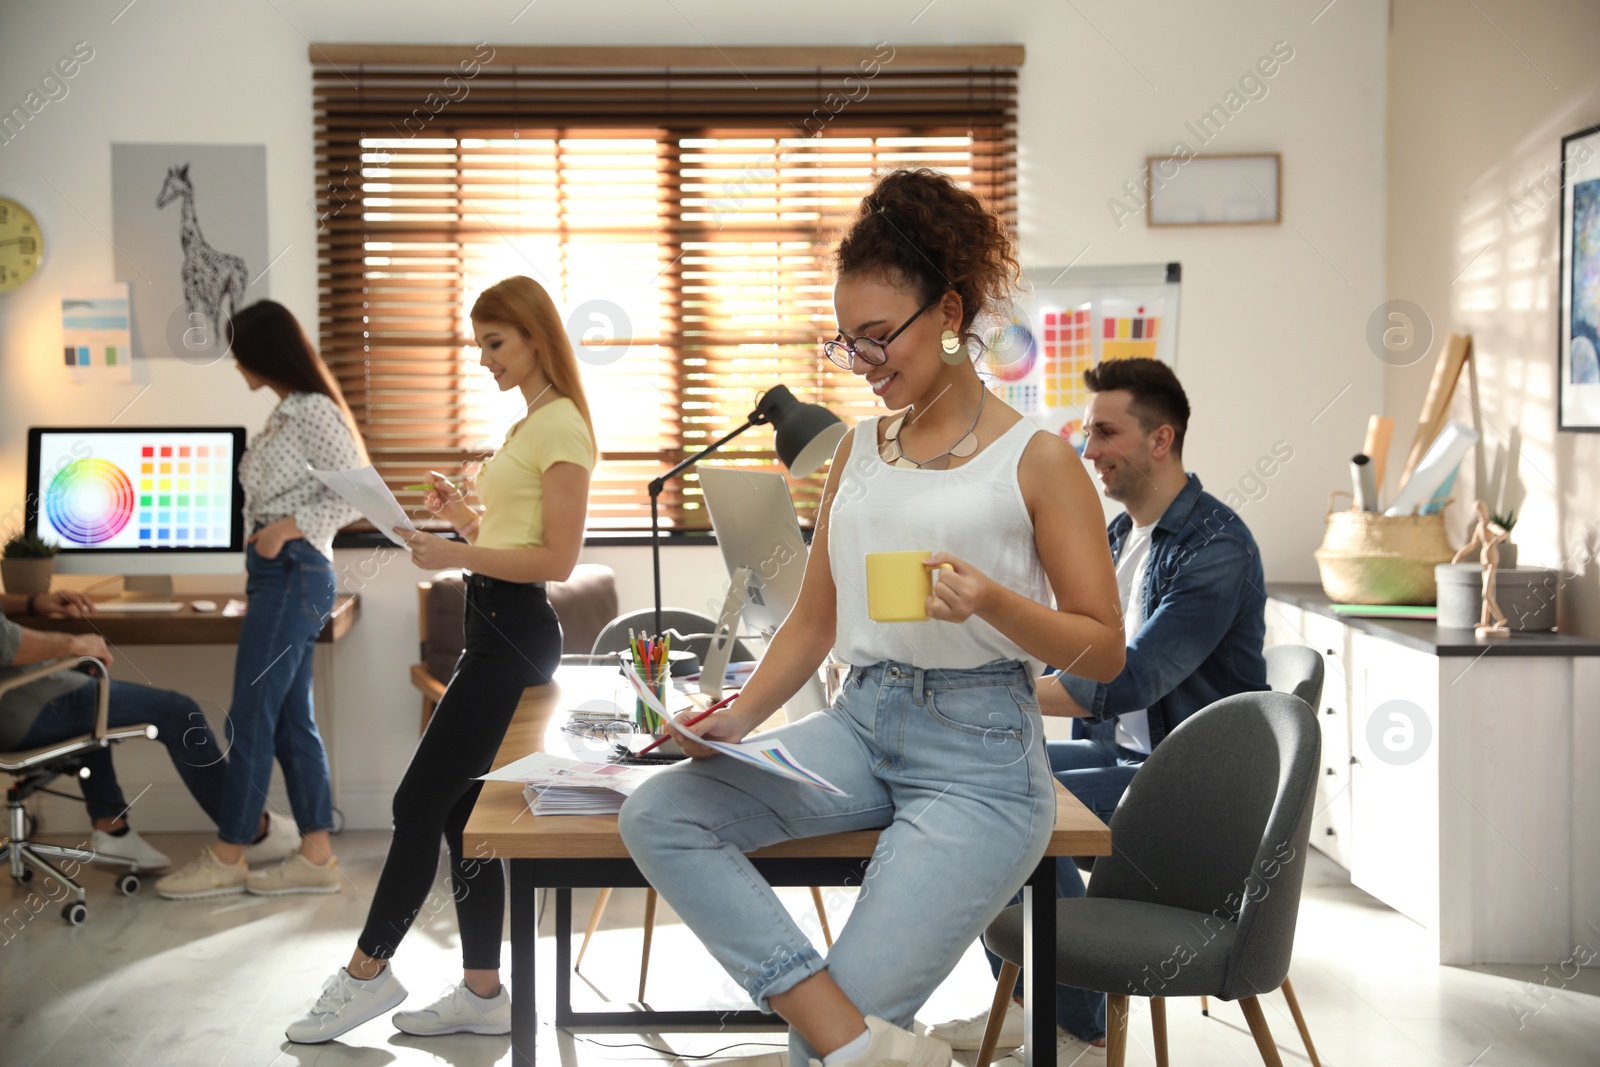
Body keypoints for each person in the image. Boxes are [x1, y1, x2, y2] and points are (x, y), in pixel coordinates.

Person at [617, 167, 1125, 1067]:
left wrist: (995, 602)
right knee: (659, 815)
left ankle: (838, 1045)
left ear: (952, 312)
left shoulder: (1039, 460)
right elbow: (813, 622)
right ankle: (860, 1047)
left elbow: (1105, 648)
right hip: (860, 720)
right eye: (849, 343)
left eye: (881, 336)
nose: (865, 362)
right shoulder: (857, 446)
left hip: (983, 758)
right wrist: (732, 719)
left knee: (817, 1053)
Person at [927, 357, 1270, 1062]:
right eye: (1087, 433)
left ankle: (1071, 1027)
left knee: (1017, 800)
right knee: (985, 778)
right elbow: (1060, 653)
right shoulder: (1120, 539)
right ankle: (1035, 1006)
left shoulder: (1216, 549)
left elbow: (1126, 680)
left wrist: (989, 686)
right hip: (1129, 761)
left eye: (1105, 433)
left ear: (1161, 439)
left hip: (1199, 788)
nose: (1087, 452)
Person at [285, 275, 596, 1044]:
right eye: (478, 344)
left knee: (415, 805)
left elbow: (557, 557)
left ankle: (367, 971)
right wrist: (462, 521)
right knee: (460, 815)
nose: (484, 358)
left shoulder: (562, 427)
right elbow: (516, 533)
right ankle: (485, 992)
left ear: (534, 336)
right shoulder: (530, 425)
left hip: (516, 635)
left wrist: (451, 547)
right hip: (495, 631)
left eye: (495, 342)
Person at [155, 301, 367, 900]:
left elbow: (357, 494)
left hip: (294, 571)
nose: (235, 365)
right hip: (278, 576)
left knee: (248, 715)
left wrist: (285, 528)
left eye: (239, 353)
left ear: (263, 354)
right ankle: (317, 857)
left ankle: (228, 857)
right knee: (289, 719)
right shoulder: (287, 413)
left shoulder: (314, 411)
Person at [1, 589, 228, 870]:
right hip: (18, 707)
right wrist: (74, 643)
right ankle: (246, 831)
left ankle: (112, 828)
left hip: (16, 701)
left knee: (89, 684)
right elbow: (6, 643)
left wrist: (31, 602)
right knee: (179, 712)